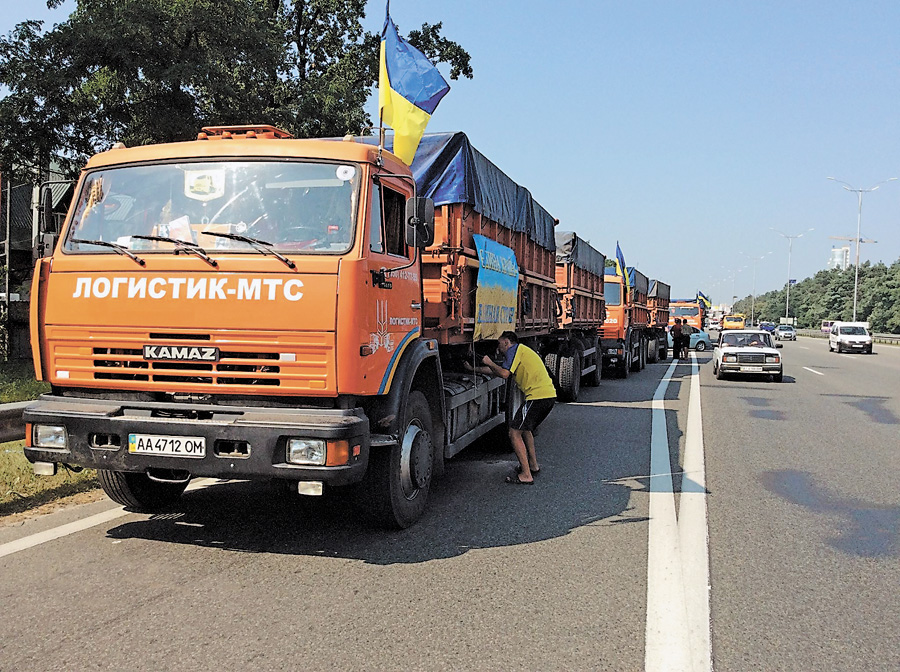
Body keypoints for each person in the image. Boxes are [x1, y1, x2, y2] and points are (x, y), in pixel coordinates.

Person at [465, 331, 556, 485]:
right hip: (545, 396)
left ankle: (526, 475)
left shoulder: (515, 350)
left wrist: (489, 362)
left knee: (514, 432)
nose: (498, 347)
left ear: (506, 342)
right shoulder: (518, 352)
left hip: (538, 397)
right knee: (525, 429)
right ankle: (533, 466)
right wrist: (474, 369)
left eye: (499, 343)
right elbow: (498, 371)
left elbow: (504, 374)